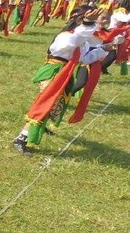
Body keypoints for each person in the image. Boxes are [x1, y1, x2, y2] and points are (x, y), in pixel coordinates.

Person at [13, 8, 121, 154]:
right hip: (54, 72)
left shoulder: (82, 42)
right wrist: (88, 24)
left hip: (65, 74)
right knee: (45, 104)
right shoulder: (65, 37)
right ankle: (21, 138)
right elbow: (74, 40)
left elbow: (85, 59)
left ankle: (37, 127)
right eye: (91, 22)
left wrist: (104, 48)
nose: (94, 26)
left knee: (50, 105)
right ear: (78, 21)